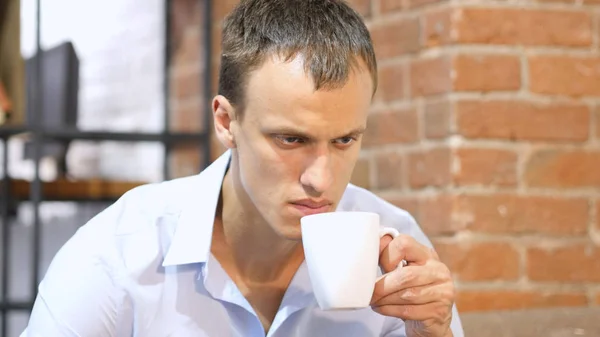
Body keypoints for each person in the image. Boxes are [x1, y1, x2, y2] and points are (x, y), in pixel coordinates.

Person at [19, 0, 464, 336]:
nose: (321, 180)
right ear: (226, 122)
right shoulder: (115, 258)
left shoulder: (397, 253)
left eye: (345, 140)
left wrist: (433, 331)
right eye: (291, 139)